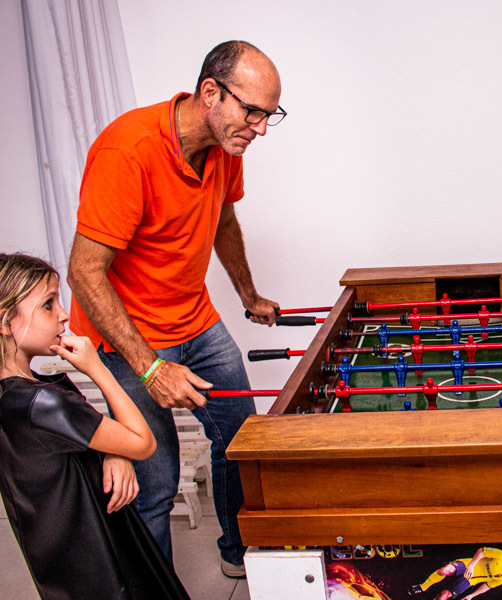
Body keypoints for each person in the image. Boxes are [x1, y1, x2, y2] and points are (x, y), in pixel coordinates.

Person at [67, 40, 287, 577]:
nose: (259, 127)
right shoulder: (129, 151)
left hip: (195, 319)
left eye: (269, 115)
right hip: (130, 336)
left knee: (241, 443)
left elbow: (223, 222)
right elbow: (83, 272)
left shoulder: (223, 148)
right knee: (157, 478)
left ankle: (240, 554)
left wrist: (248, 295)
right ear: (210, 93)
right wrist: (150, 366)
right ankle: (158, 589)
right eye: (251, 111)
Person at [0, 252, 190, 599]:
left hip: (63, 561)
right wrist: (97, 369)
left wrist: (113, 453)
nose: (64, 314)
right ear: (5, 322)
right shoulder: (43, 402)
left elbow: (92, 435)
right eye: (48, 304)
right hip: (100, 563)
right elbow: (143, 442)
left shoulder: (20, 395)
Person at [408, 546, 502, 599]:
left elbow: (488, 586)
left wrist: (472, 596)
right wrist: (472, 565)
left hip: (470, 581)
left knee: (443, 596)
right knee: (444, 570)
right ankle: (422, 587)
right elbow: (481, 551)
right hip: (468, 566)